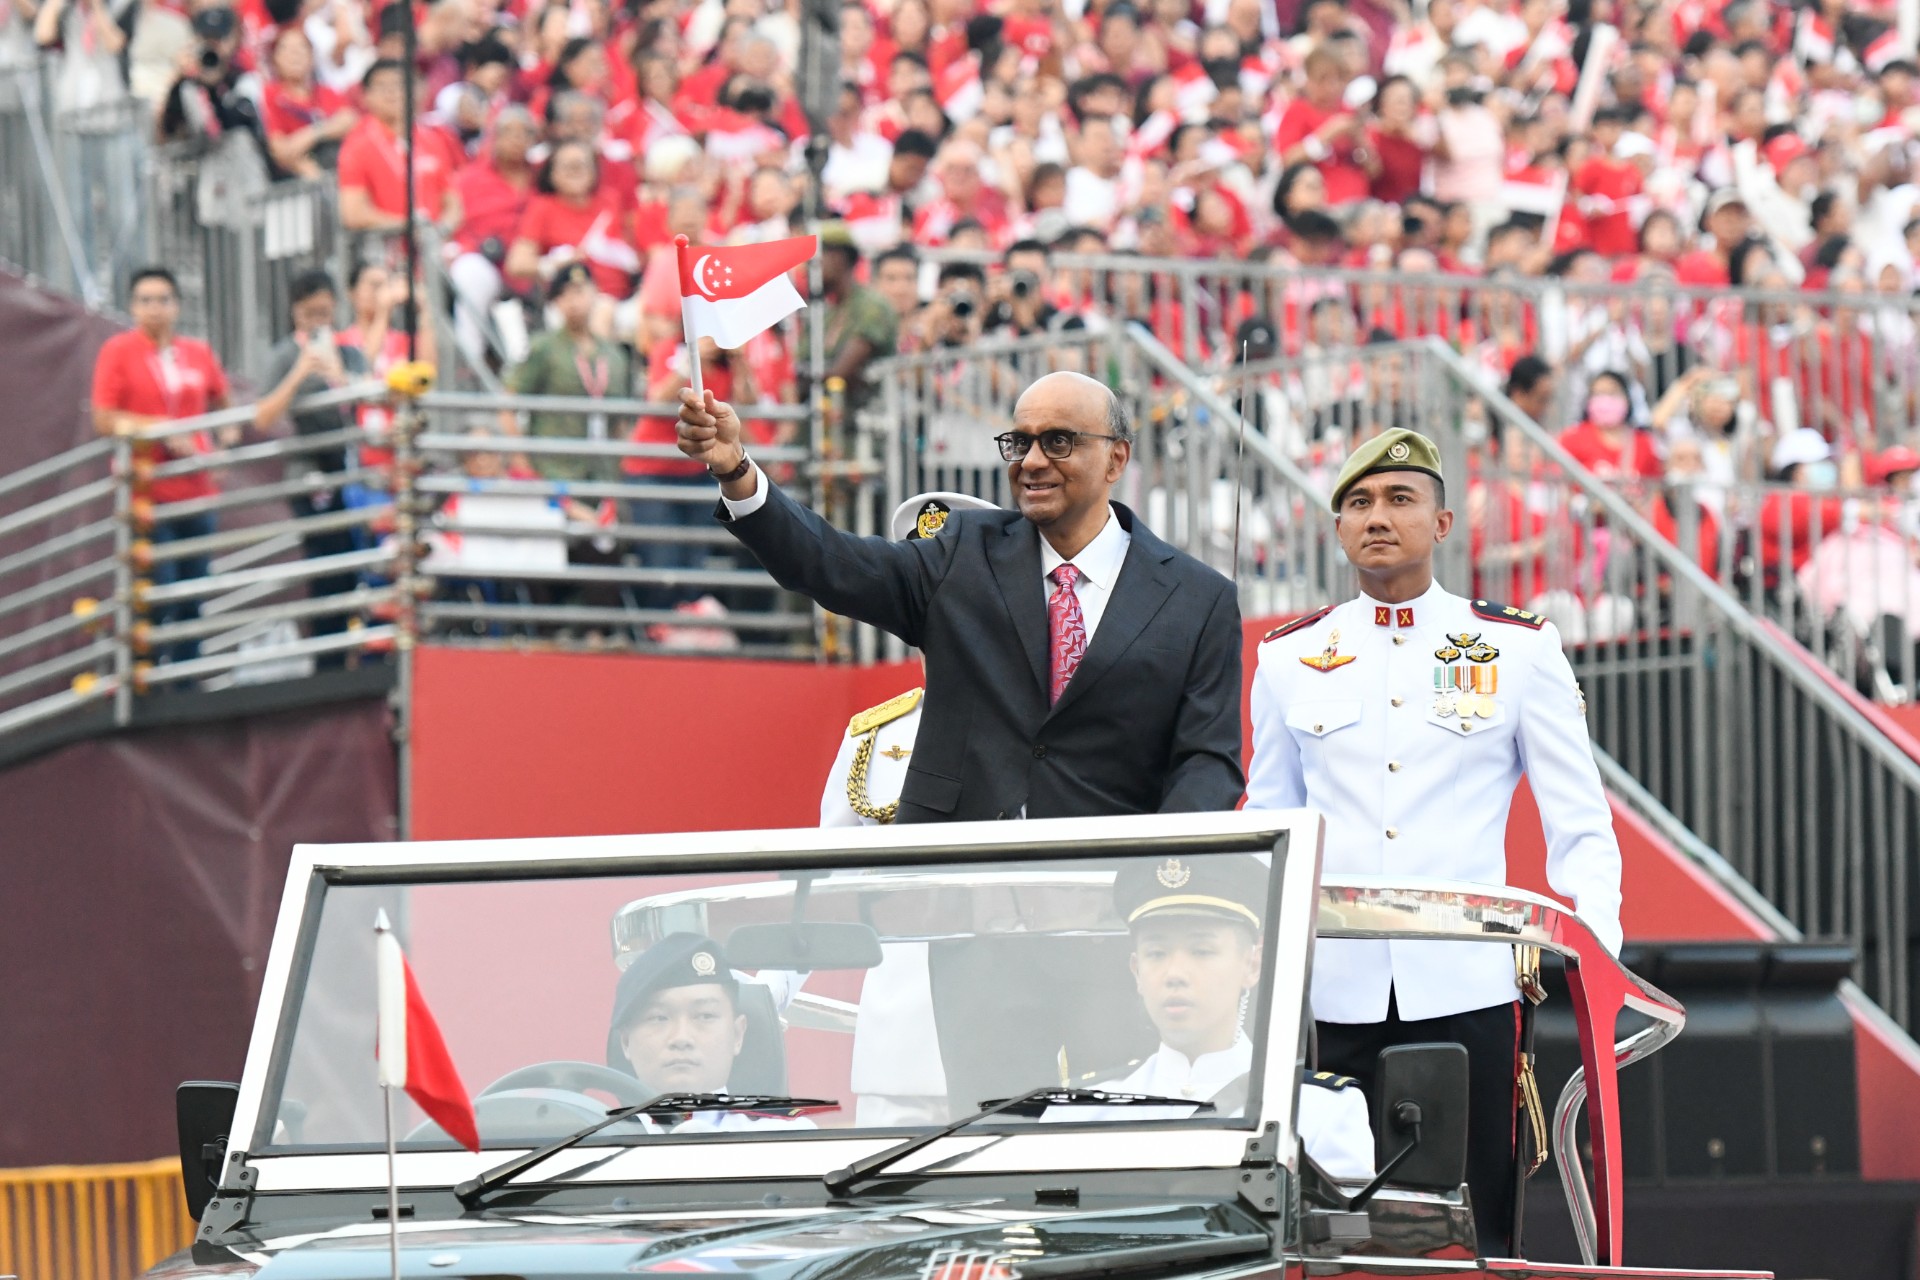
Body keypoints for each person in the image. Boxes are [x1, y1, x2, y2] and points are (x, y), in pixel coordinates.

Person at [1244, 428, 1622, 1253]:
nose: (1377, 517)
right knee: (1330, 1235)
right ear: (1338, 527)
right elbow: (1268, 819)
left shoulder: (1518, 647)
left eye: (1400, 498)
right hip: (1328, 993)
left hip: (1465, 988)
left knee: (1472, 1230)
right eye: (1358, 503)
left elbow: (1579, 820)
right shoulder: (1289, 655)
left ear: (1443, 523)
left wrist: (1596, 941)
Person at [677, 369, 1246, 822]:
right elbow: (831, 564)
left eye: (1059, 442)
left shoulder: (1198, 600)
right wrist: (737, 471)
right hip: (957, 891)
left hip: (1106, 899)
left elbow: (1206, 763)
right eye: (1020, 443)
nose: (1033, 461)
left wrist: (1160, 877)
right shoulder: (961, 553)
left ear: (1116, 458)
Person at [1058, 854, 1375, 1181]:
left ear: (1252, 964)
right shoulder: (1078, 1113)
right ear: (1136, 971)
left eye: (1202, 951)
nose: (1175, 973)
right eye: (1157, 953)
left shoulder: (1319, 1113)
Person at [91, 267, 236, 665]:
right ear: (132, 307)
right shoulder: (118, 351)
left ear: (177, 306)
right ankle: (149, 681)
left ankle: (187, 682)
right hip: (148, 493)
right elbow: (104, 418)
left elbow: (226, 405)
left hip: (198, 490)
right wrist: (158, 429)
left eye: (163, 300)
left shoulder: (198, 352)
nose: (154, 309)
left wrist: (224, 445)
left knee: (193, 594)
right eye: (145, 301)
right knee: (158, 590)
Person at [254, 269, 369, 661]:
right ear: (295, 312)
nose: (318, 321)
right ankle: (327, 659)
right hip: (310, 473)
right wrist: (302, 370)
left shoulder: (350, 352)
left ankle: (353, 655)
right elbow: (263, 415)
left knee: (354, 567)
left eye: (324, 312)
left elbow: (370, 398)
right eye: (309, 314)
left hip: (352, 474)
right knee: (324, 566)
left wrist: (338, 374)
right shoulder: (285, 355)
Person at [605, 932, 814, 1133]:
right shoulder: (598, 1141)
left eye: (705, 1016)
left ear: (737, 1035)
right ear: (626, 1042)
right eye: (659, 1018)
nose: (681, 1038)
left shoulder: (790, 1140)